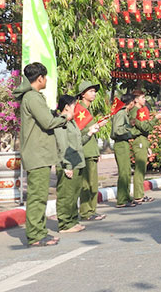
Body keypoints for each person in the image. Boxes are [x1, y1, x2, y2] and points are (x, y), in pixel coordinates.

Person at [13, 62, 67, 247]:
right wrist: (65, 117)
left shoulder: (32, 97)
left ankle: (40, 232)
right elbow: (47, 122)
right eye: (45, 77)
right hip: (37, 154)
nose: (46, 81)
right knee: (37, 197)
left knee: (40, 196)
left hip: (39, 153)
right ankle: (35, 235)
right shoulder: (33, 97)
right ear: (40, 78)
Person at [53, 94, 86, 233]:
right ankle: (65, 224)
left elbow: (77, 142)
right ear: (66, 106)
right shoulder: (61, 121)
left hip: (77, 161)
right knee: (66, 194)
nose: (76, 108)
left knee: (74, 194)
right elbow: (62, 144)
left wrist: (89, 133)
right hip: (67, 163)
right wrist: (67, 165)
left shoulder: (72, 122)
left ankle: (73, 220)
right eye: (74, 105)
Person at [75, 80, 106, 222]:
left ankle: (92, 210)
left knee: (93, 183)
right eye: (91, 91)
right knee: (86, 184)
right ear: (83, 94)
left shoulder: (88, 109)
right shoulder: (79, 109)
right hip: (85, 150)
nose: (94, 94)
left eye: (94, 91)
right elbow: (78, 132)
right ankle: (86, 211)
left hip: (91, 149)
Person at [128, 90, 161, 204]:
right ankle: (138, 195)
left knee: (142, 168)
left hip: (142, 139)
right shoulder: (135, 111)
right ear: (136, 99)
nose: (145, 100)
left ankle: (140, 194)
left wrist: (148, 145)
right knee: (139, 168)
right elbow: (144, 127)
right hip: (138, 139)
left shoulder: (140, 110)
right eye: (142, 97)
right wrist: (155, 118)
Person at [112, 94, 138, 208]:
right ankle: (122, 200)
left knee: (127, 171)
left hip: (124, 143)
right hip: (120, 143)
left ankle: (126, 197)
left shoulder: (125, 113)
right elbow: (117, 130)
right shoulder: (121, 113)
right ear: (131, 102)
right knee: (123, 172)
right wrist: (129, 127)